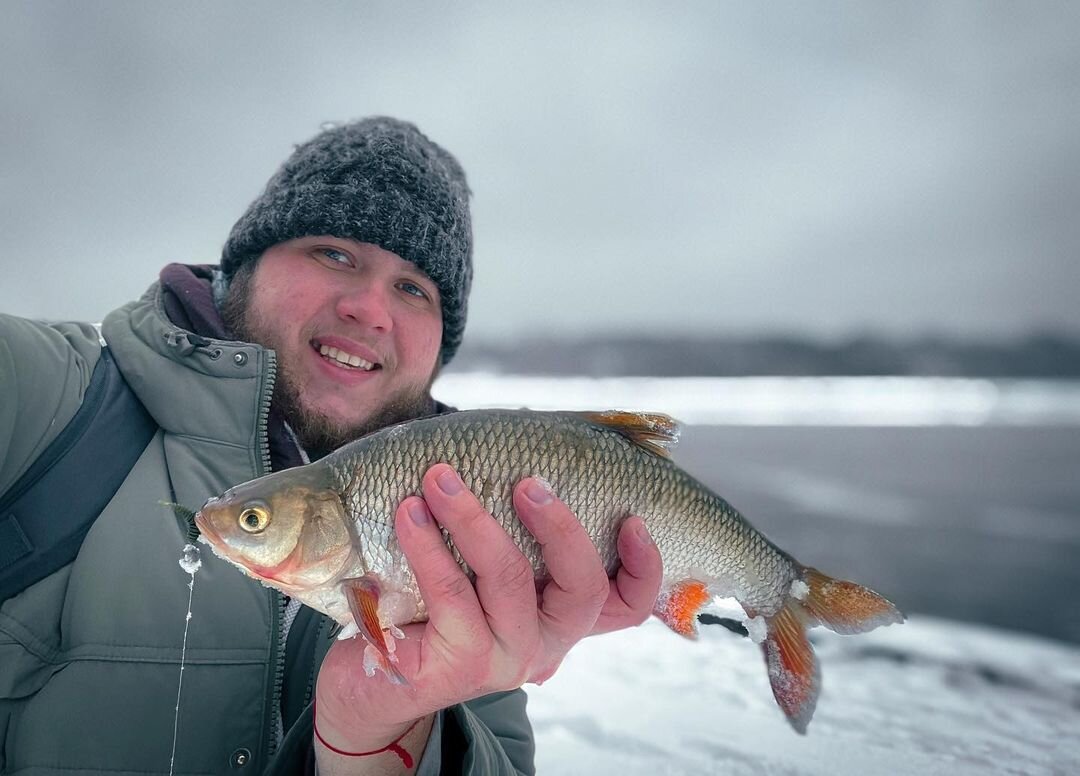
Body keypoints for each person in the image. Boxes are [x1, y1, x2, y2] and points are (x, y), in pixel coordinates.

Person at [0, 117, 663, 774]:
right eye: (336, 254)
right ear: (245, 268)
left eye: (413, 288)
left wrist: (383, 737)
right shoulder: (52, 397)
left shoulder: (476, 513)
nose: (370, 310)